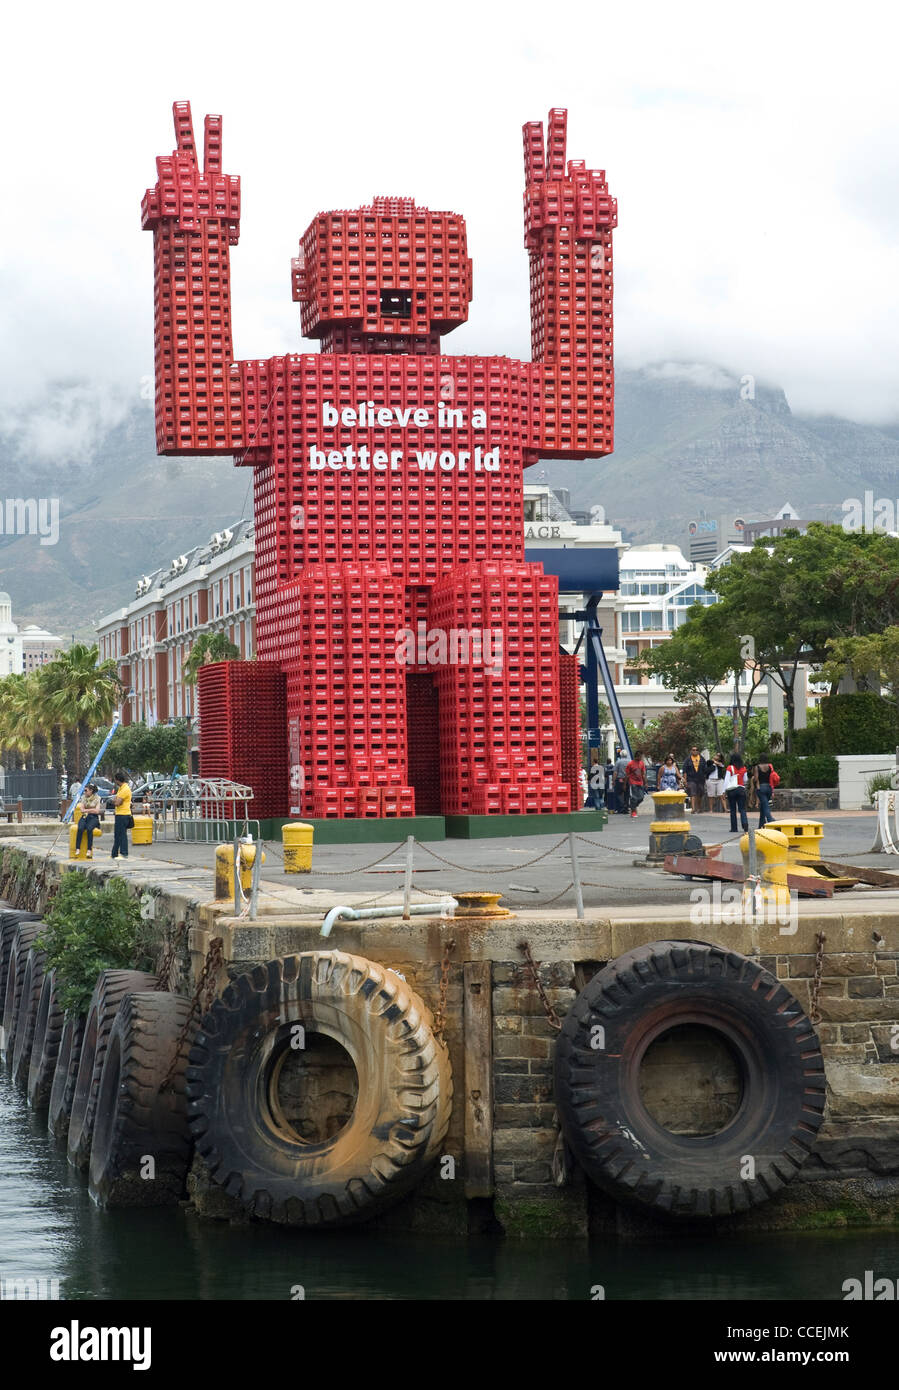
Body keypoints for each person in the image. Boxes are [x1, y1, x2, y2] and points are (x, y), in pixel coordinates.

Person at [723, 752, 749, 832]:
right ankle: (745, 824)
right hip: (741, 789)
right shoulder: (743, 768)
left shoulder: (730, 768)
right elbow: (746, 780)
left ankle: (734, 828)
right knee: (742, 809)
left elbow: (726, 780)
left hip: (732, 790)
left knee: (733, 809)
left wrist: (724, 791)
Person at [75, 783, 102, 859]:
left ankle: (89, 849)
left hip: (93, 817)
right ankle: (77, 848)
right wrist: (91, 809)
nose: (85, 792)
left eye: (86, 790)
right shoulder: (83, 798)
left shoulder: (97, 798)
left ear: (91, 791)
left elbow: (97, 811)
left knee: (90, 829)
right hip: (85, 816)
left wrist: (87, 810)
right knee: (80, 828)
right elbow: (82, 809)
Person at [111, 771, 133, 859]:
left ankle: (124, 853)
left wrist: (114, 801)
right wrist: (115, 800)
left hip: (123, 814)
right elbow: (116, 800)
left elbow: (117, 802)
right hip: (119, 813)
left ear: (117, 780)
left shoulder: (125, 789)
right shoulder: (121, 788)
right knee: (117, 834)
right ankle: (114, 853)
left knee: (122, 834)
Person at [752, 753, 777, 828]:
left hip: (761, 788)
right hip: (768, 787)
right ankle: (761, 825)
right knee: (763, 806)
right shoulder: (769, 766)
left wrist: (753, 780)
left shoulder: (757, 767)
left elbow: (756, 779)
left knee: (765, 806)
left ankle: (770, 821)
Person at [684, 746, 709, 814]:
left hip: (700, 779)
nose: (695, 751)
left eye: (696, 750)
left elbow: (705, 770)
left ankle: (699, 808)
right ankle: (693, 808)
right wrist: (685, 780)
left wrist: (705, 778)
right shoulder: (687, 759)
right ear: (691, 751)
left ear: (698, 751)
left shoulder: (702, 759)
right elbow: (685, 771)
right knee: (693, 793)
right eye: (693, 750)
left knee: (700, 794)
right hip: (691, 779)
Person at [625, 748, 648, 819]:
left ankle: (633, 805)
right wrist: (625, 784)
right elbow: (627, 775)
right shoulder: (630, 764)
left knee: (641, 797)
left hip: (640, 782)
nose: (641, 758)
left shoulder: (642, 763)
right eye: (640, 757)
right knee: (634, 797)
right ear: (637, 756)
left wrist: (645, 783)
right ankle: (633, 811)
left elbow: (643, 774)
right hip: (633, 782)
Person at [613, 747, 629, 814]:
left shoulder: (618, 762)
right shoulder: (630, 761)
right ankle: (626, 807)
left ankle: (621, 806)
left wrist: (613, 781)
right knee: (627, 794)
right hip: (628, 779)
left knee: (619, 793)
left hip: (620, 779)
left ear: (621, 755)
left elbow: (615, 772)